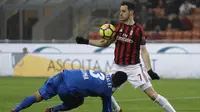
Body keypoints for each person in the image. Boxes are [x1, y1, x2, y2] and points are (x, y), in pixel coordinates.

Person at [76, 1, 176, 112]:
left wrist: (149, 70)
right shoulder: (117, 28)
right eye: (120, 11)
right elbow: (105, 43)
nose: (121, 14)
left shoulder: (138, 30)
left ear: (131, 12)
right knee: (104, 91)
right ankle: (118, 110)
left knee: (152, 95)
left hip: (133, 68)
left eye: (124, 11)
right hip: (117, 67)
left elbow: (144, 51)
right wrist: (86, 41)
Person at [10, 69, 127, 112]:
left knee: (37, 96)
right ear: (119, 83)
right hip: (68, 89)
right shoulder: (107, 91)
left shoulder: (103, 73)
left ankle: (16, 109)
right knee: (79, 101)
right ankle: (52, 110)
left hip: (63, 75)